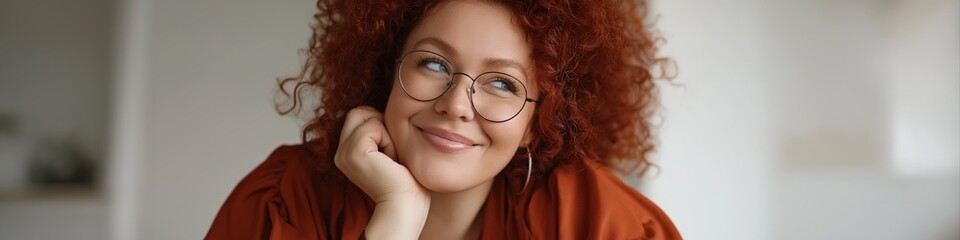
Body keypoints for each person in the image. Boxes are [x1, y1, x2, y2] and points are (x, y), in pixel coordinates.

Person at [207, 0, 680, 239]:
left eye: (503, 84)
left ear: (540, 122)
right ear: (386, 71)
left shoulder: (601, 227)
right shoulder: (282, 205)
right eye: (433, 65)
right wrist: (396, 216)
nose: (456, 104)